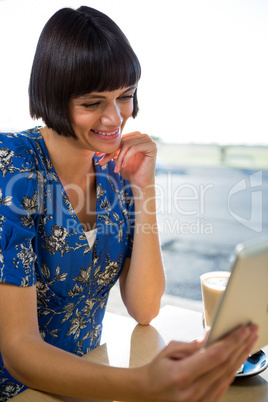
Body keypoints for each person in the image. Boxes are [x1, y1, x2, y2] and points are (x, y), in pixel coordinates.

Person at [0, 6, 258, 402]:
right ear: (52, 97)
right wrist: (142, 385)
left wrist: (144, 187)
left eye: (125, 96)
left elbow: (144, 307)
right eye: (92, 103)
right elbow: (18, 351)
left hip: (88, 382)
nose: (115, 117)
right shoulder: (12, 165)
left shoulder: (115, 171)